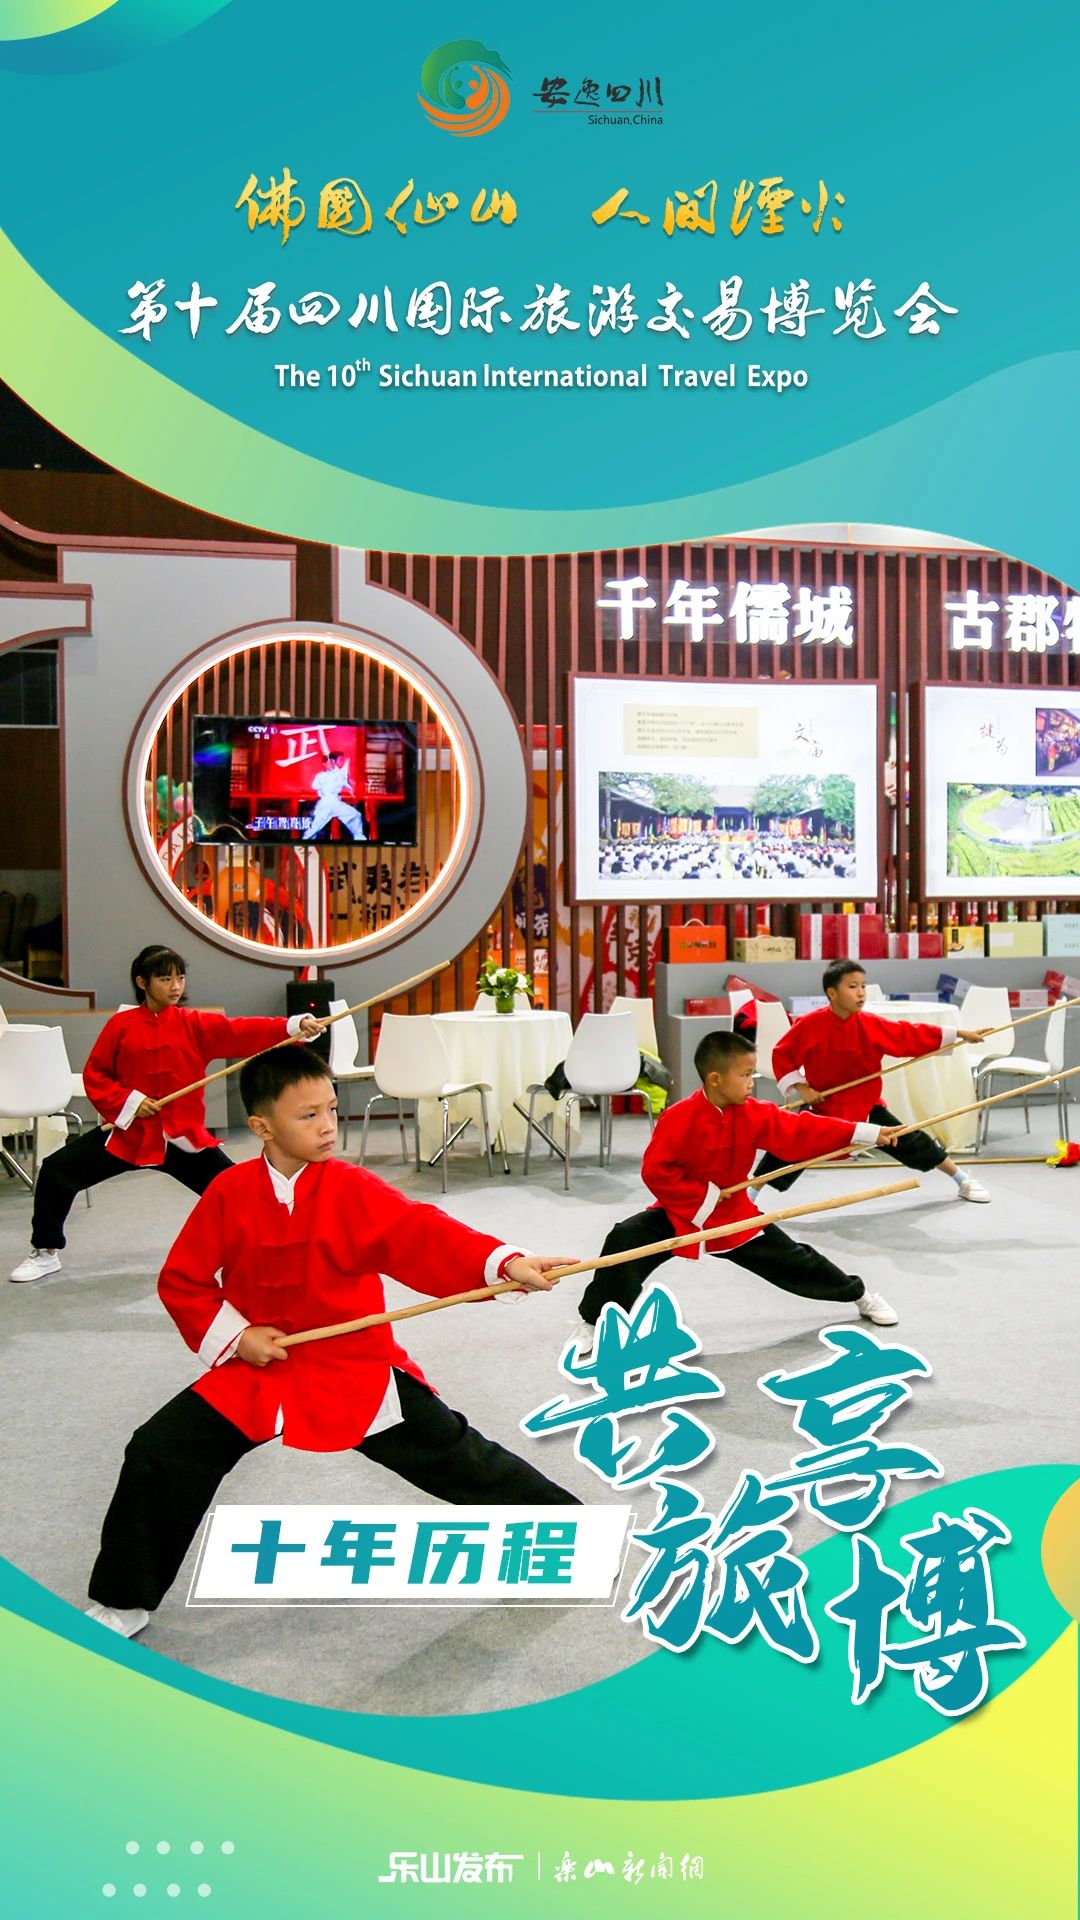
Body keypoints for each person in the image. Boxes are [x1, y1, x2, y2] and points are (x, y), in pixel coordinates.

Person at [84, 1046, 577, 1638]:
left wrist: (503, 1262)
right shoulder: (228, 1191)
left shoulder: (352, 1186)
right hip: (259, 1367)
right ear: (262, 1126)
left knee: (454, 1455)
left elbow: (421, 1232)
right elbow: (183, 1281)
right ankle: (123, 1599)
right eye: (308, 1115)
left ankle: (568, 1535)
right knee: (160, 1450)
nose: (327, 1127)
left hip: (351, 1364)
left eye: (332, 1110)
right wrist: (238, 1337)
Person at [9, 944, 324, 1283]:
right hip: (129, 1136)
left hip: (182, 1137)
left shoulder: (194, 1024)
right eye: (164, 979)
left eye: (180, 978)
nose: (176, 986)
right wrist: (131, 1102)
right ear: (142, 982)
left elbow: (241, 1030)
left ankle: (277, 1250)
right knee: (56, 1170)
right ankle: (45, 1251)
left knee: (238, 1191)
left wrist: (294, 1026)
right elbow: (96, 1075)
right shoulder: (121, 1025)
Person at [576, 1029, 904, 1355]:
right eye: (745, 1074)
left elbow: (802, 1129)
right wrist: (704, 1195)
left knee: (794, 1260)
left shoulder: (755, 1113)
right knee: (625, 1240)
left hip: (734, 1213)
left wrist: (867, 1133)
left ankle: (860, 1296)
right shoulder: (678, 1118)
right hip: (680, 1210)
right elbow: (656, 1171)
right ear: (715, 1079)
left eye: (752, 1074)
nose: (752, 1083)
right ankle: (594, 1322)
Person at [753, 959, 993, 1203]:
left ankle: (962, 1180)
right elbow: (782, 1054)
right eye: (852, 986)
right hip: (823, 1106)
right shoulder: (810, 1024)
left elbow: (907, 1034)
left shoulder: (870, 1024)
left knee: (913, 1141)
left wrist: (959, 1034)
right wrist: (802, 1087)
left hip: (865, 1107)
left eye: (863, 986)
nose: (861, 993)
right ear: (832, 993)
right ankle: (749, 1194)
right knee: (788, 1145)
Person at [302, 751, 366, 842]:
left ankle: (360, 840)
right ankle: (303, 842)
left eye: (342, 760)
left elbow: (347, 785)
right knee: (315, 827)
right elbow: (315, 786)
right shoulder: (323, 775)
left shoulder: (338, 774)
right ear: (331, 761)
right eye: (340, 760)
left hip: (335, 803)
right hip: (326, 803)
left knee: (355, 815)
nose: (342, 762)